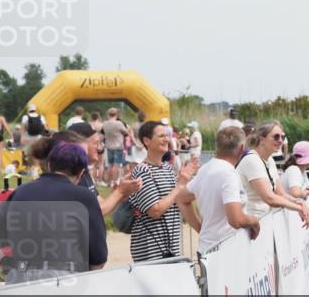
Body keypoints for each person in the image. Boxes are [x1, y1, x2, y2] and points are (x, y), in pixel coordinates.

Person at [0, 140, 107, 283]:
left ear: (49, 165)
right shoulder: (85, 198)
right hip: (66, 282)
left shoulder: (21, 192)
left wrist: (6, 264)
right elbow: (99, 259)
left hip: (20, 282)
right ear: (81, 173)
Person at [178, 127, 258, 254]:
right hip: (227, 250)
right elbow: (236, 220)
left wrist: (201, 228)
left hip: (207, 247)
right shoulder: (229, 174)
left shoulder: (206, 168)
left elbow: (181, 198)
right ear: (242, 148)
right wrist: (254, 221)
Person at [127, 120, 199, 262]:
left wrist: (191, 182)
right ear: (147, 141)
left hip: (171, 249)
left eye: (167, 135)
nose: (167, 139)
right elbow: (155, 210)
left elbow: (177, 200)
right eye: (161, 136)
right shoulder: (142, 171)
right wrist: (179, 185)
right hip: (151, 252)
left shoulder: (167, 168)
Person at [236, 121, 309, 225]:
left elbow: (280, 193)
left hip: (264, 220)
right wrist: (298, 208)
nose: (280, 141)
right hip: (250, 224)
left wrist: (298, 202)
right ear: (262, 139)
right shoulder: (252, 160)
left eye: (282, 137)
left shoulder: (269, 160)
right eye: (276, 137)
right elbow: (269, 198)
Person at [102, 108, 130, 185]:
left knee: (110, 165)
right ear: (116, 114)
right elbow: (126, 132)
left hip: (109, 146)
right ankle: (114, 181)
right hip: (118, 146)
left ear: (108, 114)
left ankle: (108, 182)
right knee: (116, 165)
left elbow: (103, 134)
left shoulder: (105, 124)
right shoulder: (119, 123)